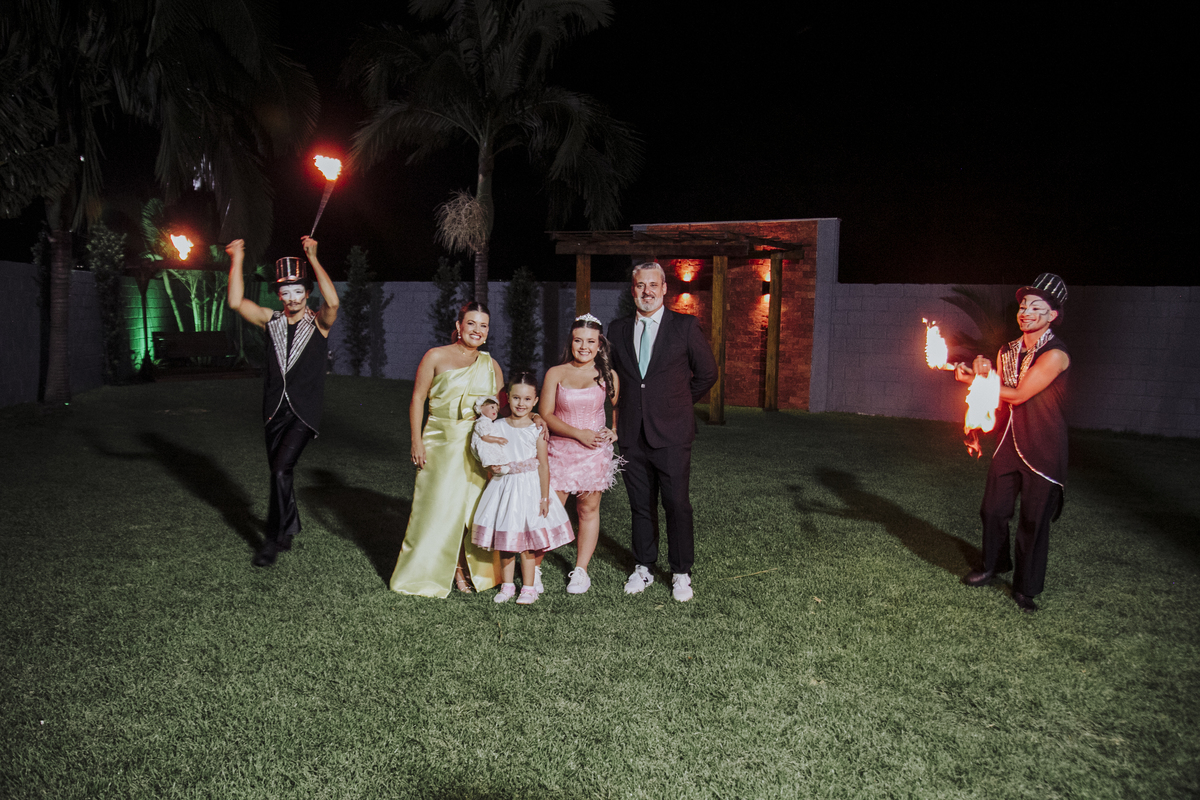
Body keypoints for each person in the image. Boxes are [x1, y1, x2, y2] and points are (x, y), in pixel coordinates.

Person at [955, 273, 1070, 613]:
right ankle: (993, 565)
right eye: (1023, 307)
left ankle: (1025, 588)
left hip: (1044, 447)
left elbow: (1018, 395)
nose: (1026, 312)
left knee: (1033, 521)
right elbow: (998, 392)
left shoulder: (1056, 354)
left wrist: (979, 381)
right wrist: (980, 371)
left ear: (1052, 315)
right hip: (1009, 442)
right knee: (992, 510)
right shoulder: (1007, 350)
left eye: (1036, 307)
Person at [226, 236, 339, 568]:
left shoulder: (318, 324)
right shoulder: (270, 320)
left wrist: (313, 258)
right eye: (286, 292)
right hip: (273, 412)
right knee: (281, 473)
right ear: (280, 296)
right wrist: (237, 257)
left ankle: (271, 540)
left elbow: (333, 302)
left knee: (279, 470)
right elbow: (236, 301)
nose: (292, 298)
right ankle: (289, 526)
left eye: (298, 291)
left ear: (307, 293)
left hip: (303, 414)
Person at [608, 261, 718, 602]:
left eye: (653, 285)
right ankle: (643, 566)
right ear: (633, 290)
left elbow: (708, 373)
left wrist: (677, 403)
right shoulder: (617, 329)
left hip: (672, 433)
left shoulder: (684, 326)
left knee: (676, 504)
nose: (647, 291)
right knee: (640, 505)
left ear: (664, 288)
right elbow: (611, 378)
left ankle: (681, 572)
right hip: (631, 433)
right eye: (641, 285)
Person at [389, 302, 504, 598]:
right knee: (438, 507)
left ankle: (470, 568)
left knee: (475, 507)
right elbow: (418, 399)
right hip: (441, 441)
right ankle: (439, 570)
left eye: (483, 325)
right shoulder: (436, 356)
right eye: (471, 323)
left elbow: (498, 409)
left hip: (477, 445)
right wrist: (416, 440)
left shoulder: (491, 365)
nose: (477, 330)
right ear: (458, 326)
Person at [471, 372, 575, 605]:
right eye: (516, 398)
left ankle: (528, 587)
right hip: (504, 488)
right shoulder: (497, 426)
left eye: (527, 399)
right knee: (506, 540)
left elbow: (544, 466)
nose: (521, 404)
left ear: (535, 400)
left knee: (529, 542)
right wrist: (491, 465)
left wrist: (545, 498)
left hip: (529, 489)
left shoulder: (537, 429)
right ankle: (507, 585)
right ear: (507, 398)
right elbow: (485, 450)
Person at [540, 313, 624, 594]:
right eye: (578, 340)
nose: (584, 347)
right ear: (571, 342)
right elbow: (546, 414)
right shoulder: (556, 373)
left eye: (590, 341)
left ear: (600, 345)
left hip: (593, 453)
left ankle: (581, 570)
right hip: (560, 450)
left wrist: (614, 429)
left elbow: (618, 406)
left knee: (587, 510)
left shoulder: (608, 375)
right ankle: (534, 567)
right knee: (549, 508)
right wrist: (578, 434)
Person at [470, 396, 509, 473]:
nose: (494, 411)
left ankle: (499, 465)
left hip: (490, 442)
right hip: (485, 443)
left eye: (496, 410)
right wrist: (498, 439)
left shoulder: (488, 422)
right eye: (492, 407)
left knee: (496, 451)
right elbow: (485, 437)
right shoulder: (482, 422)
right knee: (489, 453)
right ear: (481, 408)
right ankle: (494, 465)